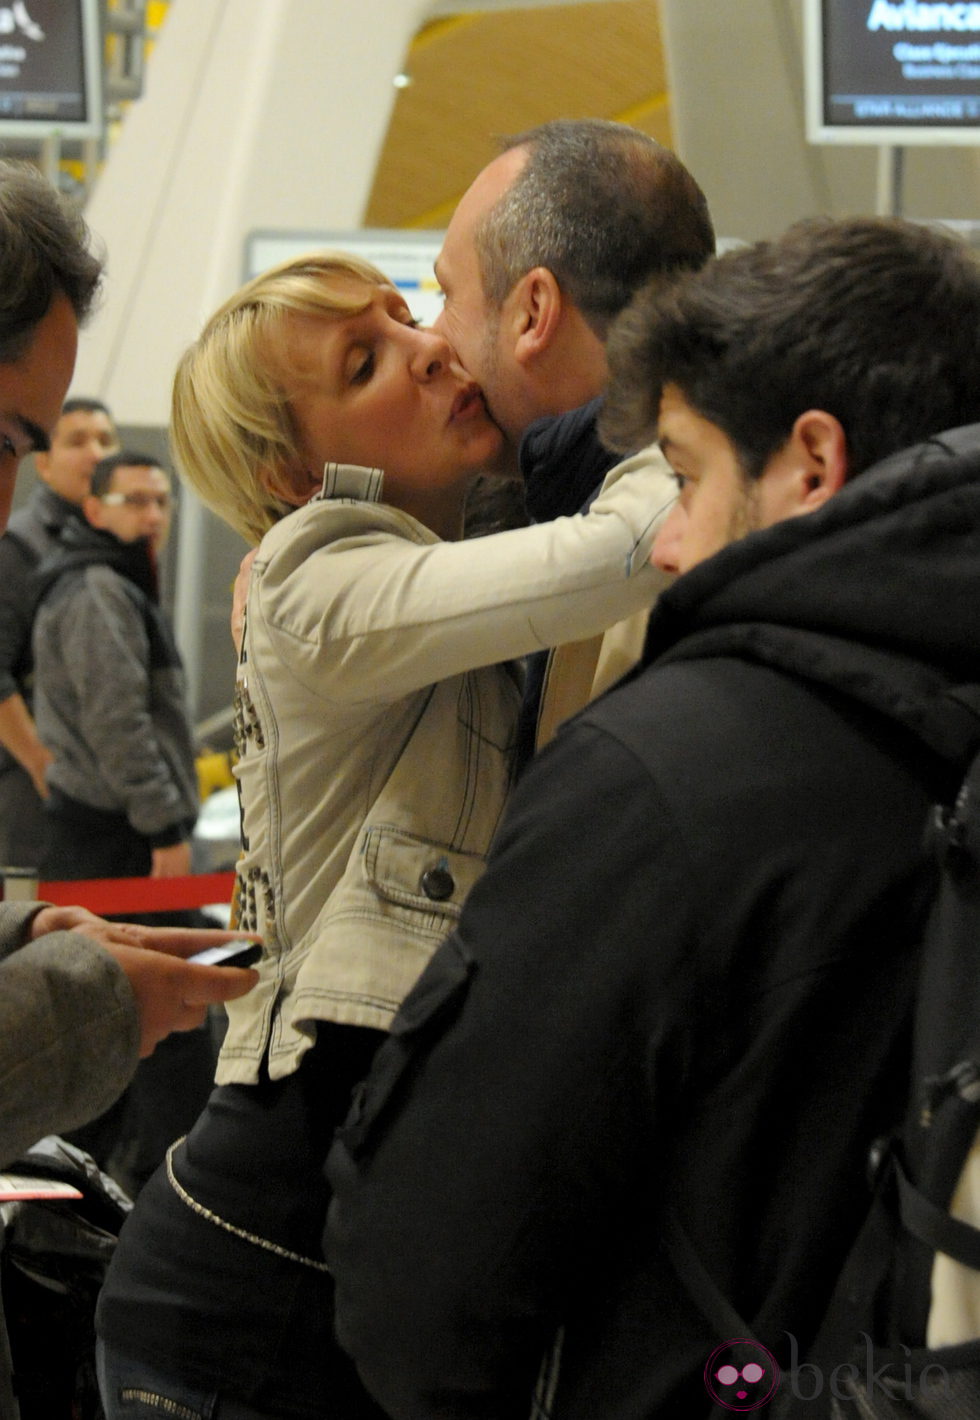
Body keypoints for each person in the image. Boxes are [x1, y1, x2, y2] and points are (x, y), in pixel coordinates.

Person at [323, 215, 980, 1419]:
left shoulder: (664, 770)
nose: (668, 541)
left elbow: (423, 1277)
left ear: (810, 462)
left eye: (682, 476)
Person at [95, 249, 674, 1420]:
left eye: (406, 317)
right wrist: (682, 408)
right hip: (242, 1284)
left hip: (319, 1261)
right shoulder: (313, 576)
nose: (426, 350)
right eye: (366, 362)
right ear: (292, 468)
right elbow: (616, 553)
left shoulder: (422, 562)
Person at [0, 158, 257, 1176]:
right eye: (10, 438)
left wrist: (21, 932)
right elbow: (105, 720)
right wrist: (91, 1003)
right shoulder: (92, 591)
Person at [433, 119, 715, 763]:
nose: (430, 338)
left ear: (533, 313)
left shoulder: (668, 553)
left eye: (448, 294)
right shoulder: (550, 500)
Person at [32, 450, 216, 1193]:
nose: (152, 515)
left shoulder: (116, 583)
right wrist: (166, 828)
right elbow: (118, 725)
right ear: (94, 510)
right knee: (171, 1020)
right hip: (116, 841)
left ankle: (99, 1206)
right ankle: (174, 1206)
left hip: (120, 833)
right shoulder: (96, 591)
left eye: (162, 501)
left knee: (122, 1031)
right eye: (134, 500)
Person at [0, 396, 118, 866]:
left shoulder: (109, 543)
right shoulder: (20, 545)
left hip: (97, 805)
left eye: (106, 440)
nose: (96, 453)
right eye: (77, 441)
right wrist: (42, 764)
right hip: (38, 806)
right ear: (43, 463)